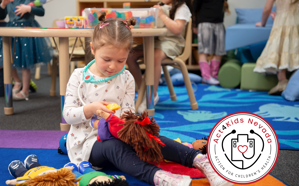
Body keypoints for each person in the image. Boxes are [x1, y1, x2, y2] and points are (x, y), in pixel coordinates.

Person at [63, 12, 233, 186]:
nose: (113, 66)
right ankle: (159, 177)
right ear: (93, 49)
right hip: (88, 145)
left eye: (121, 60)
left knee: (147, 136)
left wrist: (123, 123)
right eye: (106, 59)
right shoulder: (79, 77)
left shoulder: (126, 77)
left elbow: (128, 113)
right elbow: (68, 115)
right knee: (113, 147)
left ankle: (199, 160)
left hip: (118, 134)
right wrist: (91, 109)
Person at [126, 0, 192, 113]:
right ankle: (145, 89)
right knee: (129, 55)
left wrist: (161, 14)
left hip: (173, 43)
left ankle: (152, 95)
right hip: (157, 41)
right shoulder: (161, 6)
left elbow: (177, 29)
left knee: (155, 56)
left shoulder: (182, 8)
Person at [0, 0, 53, 100]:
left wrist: (28, 8)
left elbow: (41, 12)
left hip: (26, 32)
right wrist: (3, 4)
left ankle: (25, 90)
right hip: (12, 32)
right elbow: (0, 16)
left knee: (25, 63)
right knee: (9, 60)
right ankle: (17, 81)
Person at [254, 0, 299, 95]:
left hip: (282, 21)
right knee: (294, 48)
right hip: (296, 20)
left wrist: (262, 23)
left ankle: (282, 80)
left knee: (280, 48)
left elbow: (267, 9)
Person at [193, 0, 230, 85]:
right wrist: (195, 25)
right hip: (205, 23)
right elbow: (194, 9)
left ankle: (214, 75)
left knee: (220, 51)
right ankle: (206, 76)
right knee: (204, 51)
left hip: (219, 24)